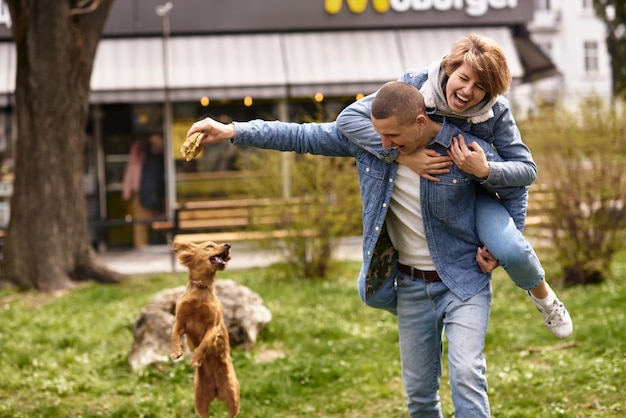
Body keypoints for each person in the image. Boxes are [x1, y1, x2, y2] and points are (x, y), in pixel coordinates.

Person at [183, 81, 526, 417]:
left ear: (420, 123)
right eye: (379, 136)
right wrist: (232, 132)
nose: (382, 143)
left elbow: (515, 182)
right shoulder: (372, 146)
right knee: (420, 397)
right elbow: (299, 136)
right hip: (411, 286)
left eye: (392, 137)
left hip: (463, 281)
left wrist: (503, 243)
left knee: (466, 377)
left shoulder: (462, 149)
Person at [336, 33, 573, 339]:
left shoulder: (496, 112)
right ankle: (425, 312)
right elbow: (349, 120)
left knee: (513, 250)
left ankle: (547, 301)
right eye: (464, 78)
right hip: (435, 197)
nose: (467, 91)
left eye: (481, 87)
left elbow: (526, 170)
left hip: (476, 195)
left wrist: (485, 170)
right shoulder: (414, 85)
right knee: (368, 290)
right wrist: (402, 156)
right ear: (449, 67)